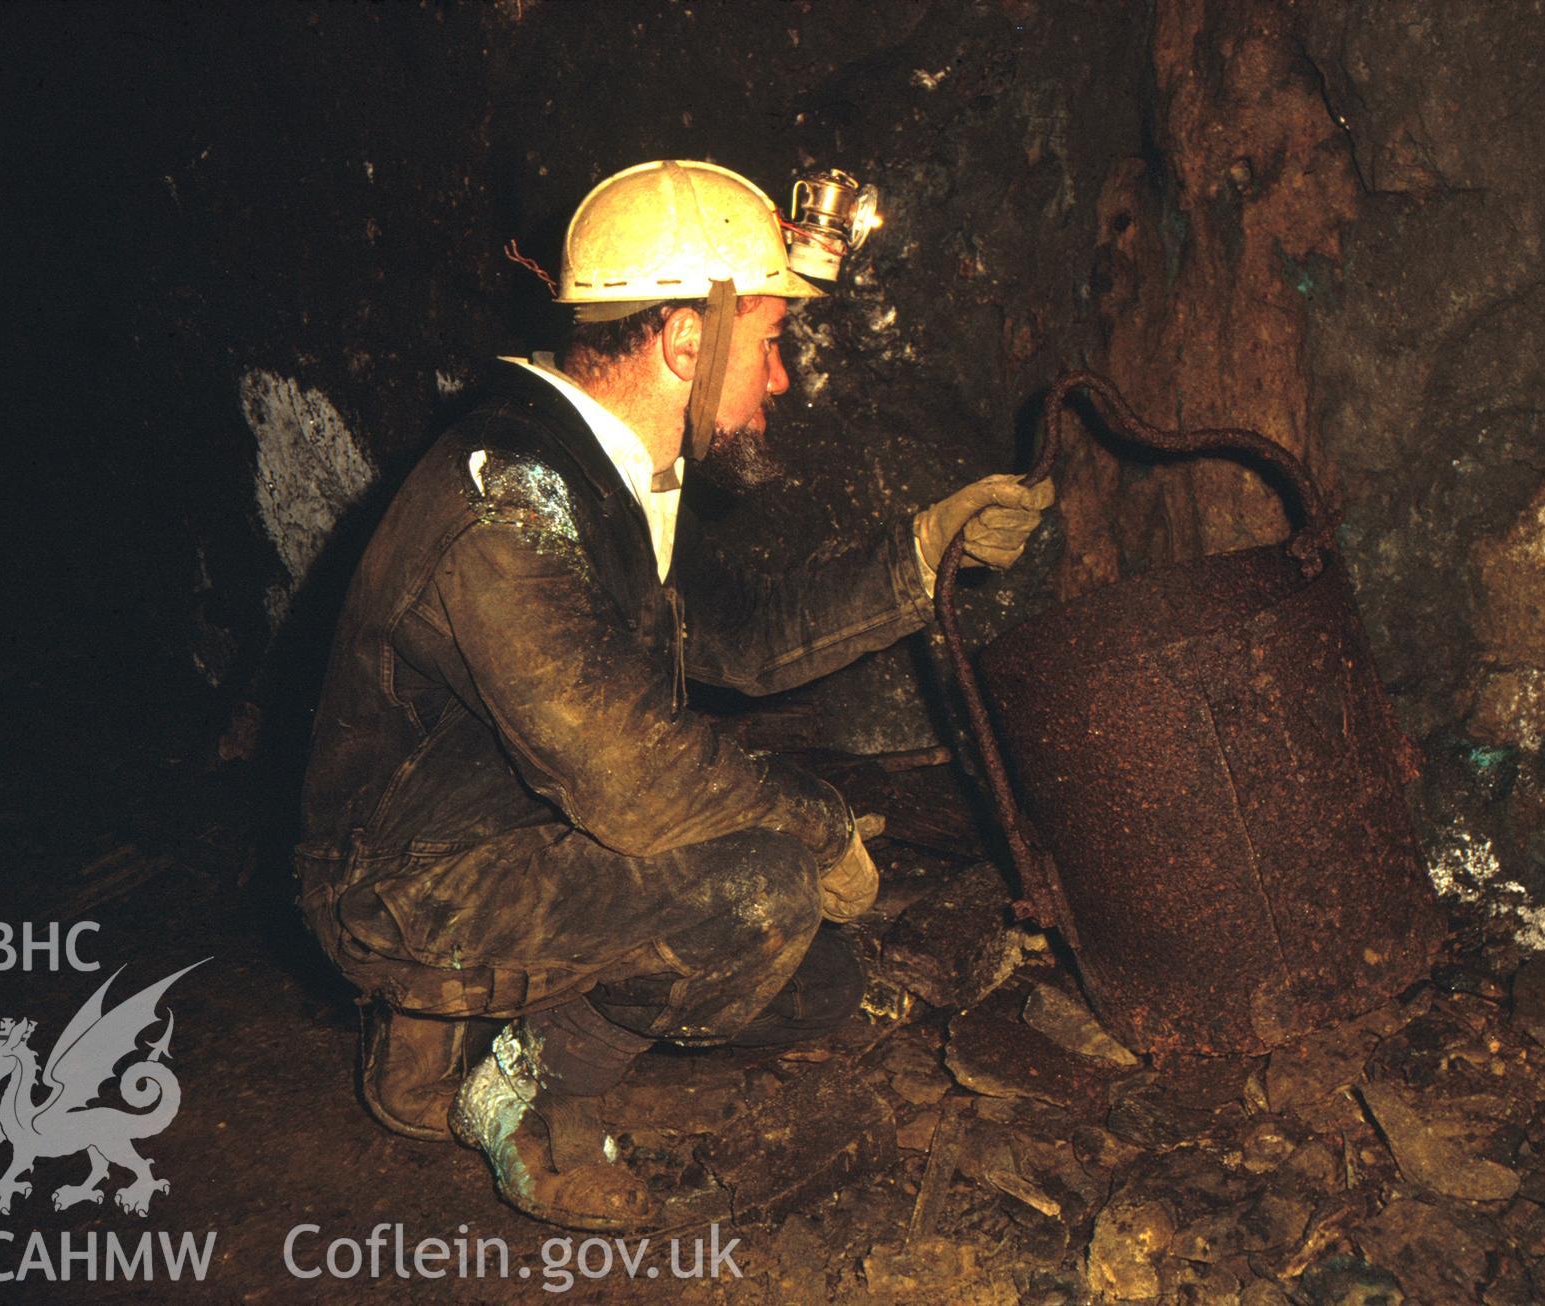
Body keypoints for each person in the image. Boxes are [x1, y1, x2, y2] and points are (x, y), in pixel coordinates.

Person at [294, 160, 1053, 1229]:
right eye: (774, 343)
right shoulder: (506, 501)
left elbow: (740, 636)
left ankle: (441, 1032)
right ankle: (517, 1086)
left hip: (508, 825)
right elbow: (628, 775)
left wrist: (928, 554)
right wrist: (817, 821)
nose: (781, 380)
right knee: (760, 890)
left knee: (817, 982)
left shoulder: (605, 468)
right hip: (407, 881)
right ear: (687, 342)